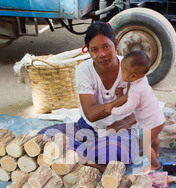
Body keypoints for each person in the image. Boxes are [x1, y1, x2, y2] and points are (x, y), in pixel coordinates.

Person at [37, 21, 140, 172]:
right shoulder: (83, 70)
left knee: (117, 151)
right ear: (89, 52)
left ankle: (82, 159)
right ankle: (96, 164)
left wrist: (124, 123)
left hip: (120, 131)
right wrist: (123, 99)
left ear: (116, 44)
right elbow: (91, 115)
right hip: (88, 128)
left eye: (106, 46)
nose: (102, 54)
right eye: (94, 50)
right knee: (44, 137)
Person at [105, 50, 166, 170]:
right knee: (155, 139)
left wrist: (113, 110)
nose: (120, 72)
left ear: (133, 76)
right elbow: (133, 95)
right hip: (159, 119)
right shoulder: (142, 80)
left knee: (145, 144)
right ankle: (156, 153)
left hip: (151, 123)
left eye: (123, 70)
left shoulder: (136, 90)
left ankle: (154, 164)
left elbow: (129, 107)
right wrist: (123, 93)